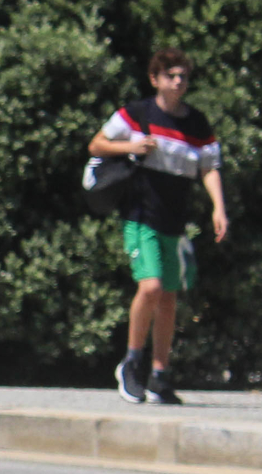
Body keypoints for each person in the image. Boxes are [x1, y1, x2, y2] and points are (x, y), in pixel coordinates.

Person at [90, 48, 228, 405]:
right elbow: (97, 143)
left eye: (183, 76)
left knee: (168, 297)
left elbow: (209, 166)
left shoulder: (197, 123)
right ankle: (131, 365)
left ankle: (160, 375)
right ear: (156, 79)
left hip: (174, 221)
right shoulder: (137, 114)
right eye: (171, 75)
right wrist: (131, 146)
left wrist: (219, 208)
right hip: (141, 216)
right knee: (150, 288)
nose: (178, 82)